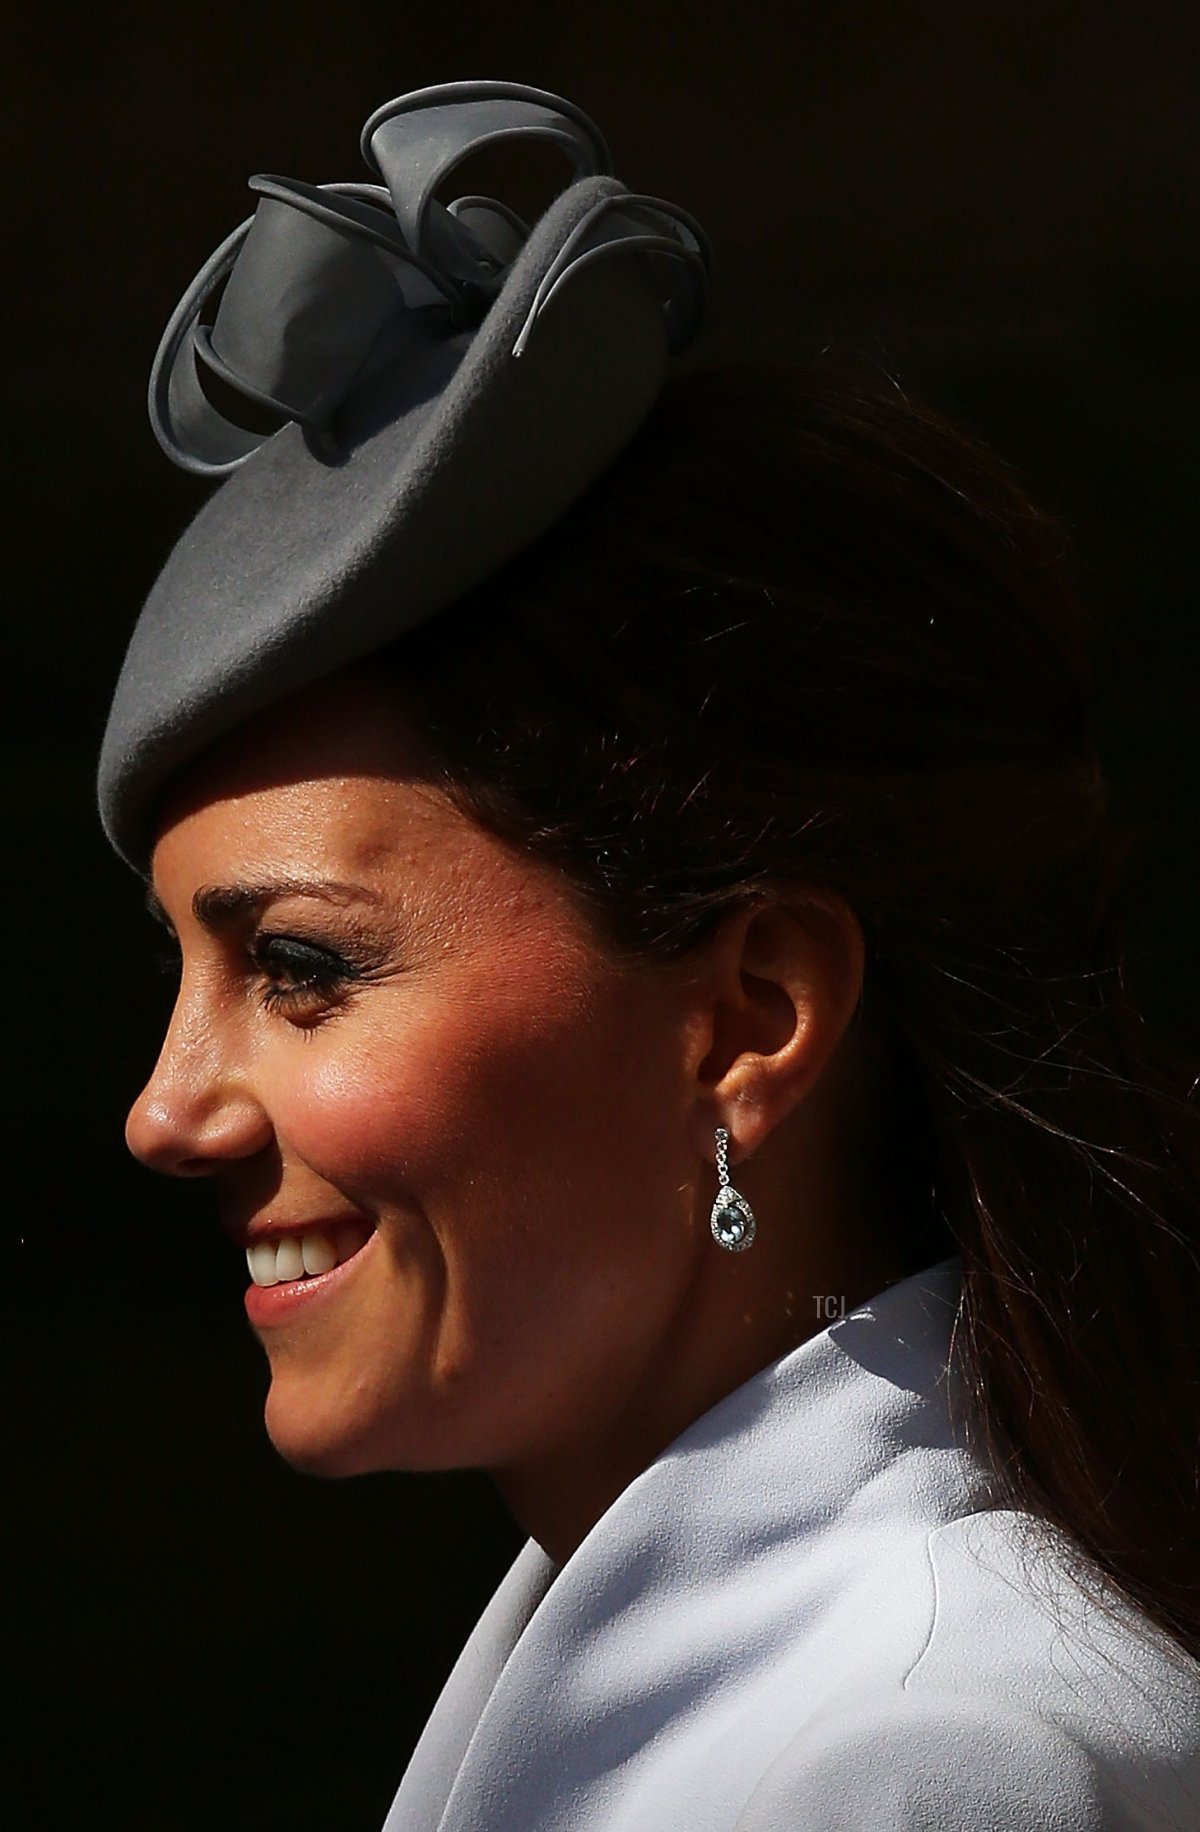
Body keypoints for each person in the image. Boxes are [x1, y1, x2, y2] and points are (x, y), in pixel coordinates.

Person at [98, 81, 1200, 1831]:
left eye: (300, 968)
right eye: (181, 969)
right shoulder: (772, 1706)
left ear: (752, 1017)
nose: (165, 1114)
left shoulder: (921, 1769)